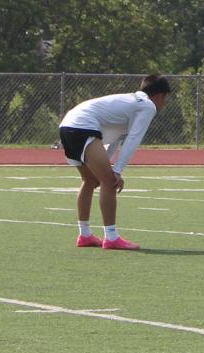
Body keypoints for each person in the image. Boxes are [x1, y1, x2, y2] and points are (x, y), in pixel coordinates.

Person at [58, 74, 172, 249]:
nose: (165, 104)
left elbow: (116, 138)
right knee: (109, 182)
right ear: (159, 96)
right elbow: (133, 139)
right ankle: (111, 237)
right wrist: (116, 172)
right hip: (82, 125)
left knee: (91, 180)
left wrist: (109, 164)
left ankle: (85, 235)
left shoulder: (130, 102)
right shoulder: (147, 106)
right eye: (166, 99)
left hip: (68, 124)